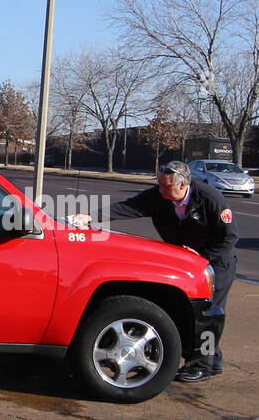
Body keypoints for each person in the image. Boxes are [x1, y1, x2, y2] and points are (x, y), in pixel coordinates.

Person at [67, 160, 238, 382]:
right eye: (159, 185)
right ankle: (212, 360)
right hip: (186, 261)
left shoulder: (210, 199)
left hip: (215, 261)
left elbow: (229, 238)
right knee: (193, 312)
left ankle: (202, 365)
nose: (161, 190)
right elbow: (128, 207)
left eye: (166, 186)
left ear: (183, 185)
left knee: (206, 313)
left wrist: (201, 256)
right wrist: (91, 217)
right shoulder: (158, 197)